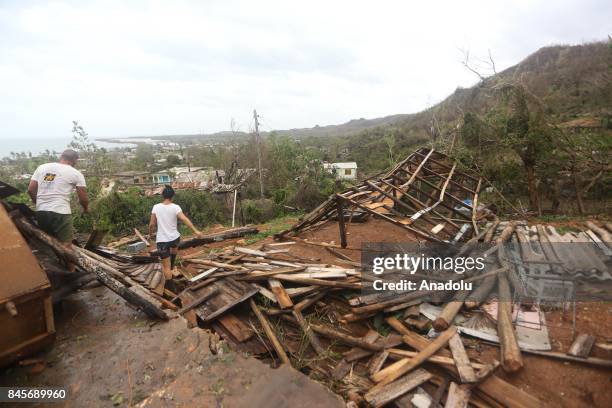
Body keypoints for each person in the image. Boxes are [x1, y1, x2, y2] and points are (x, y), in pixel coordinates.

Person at [27, 149, 89, 272]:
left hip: (42, 211)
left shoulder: (42, 167)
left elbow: (31, 189)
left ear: (61, 157)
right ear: (74, 160)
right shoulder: (75, 173)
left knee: (49, 242)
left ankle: (53, 272)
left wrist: (37, 202)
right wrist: (86, 208)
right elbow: (83, 197)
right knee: (66, 245)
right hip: (61, 212)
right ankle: (71, 275)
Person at [149, 185, 202, 280]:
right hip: (174, 238)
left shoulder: (156, 207)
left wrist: (150, 234)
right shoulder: (176, 207)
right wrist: (196, 231)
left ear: (162, 196)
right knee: (174, 248)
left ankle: (170, 286)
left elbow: (152, 224)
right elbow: (184, 219)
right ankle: (172, 264)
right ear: (172, 196)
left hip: (162, 241)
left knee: (166, 267)